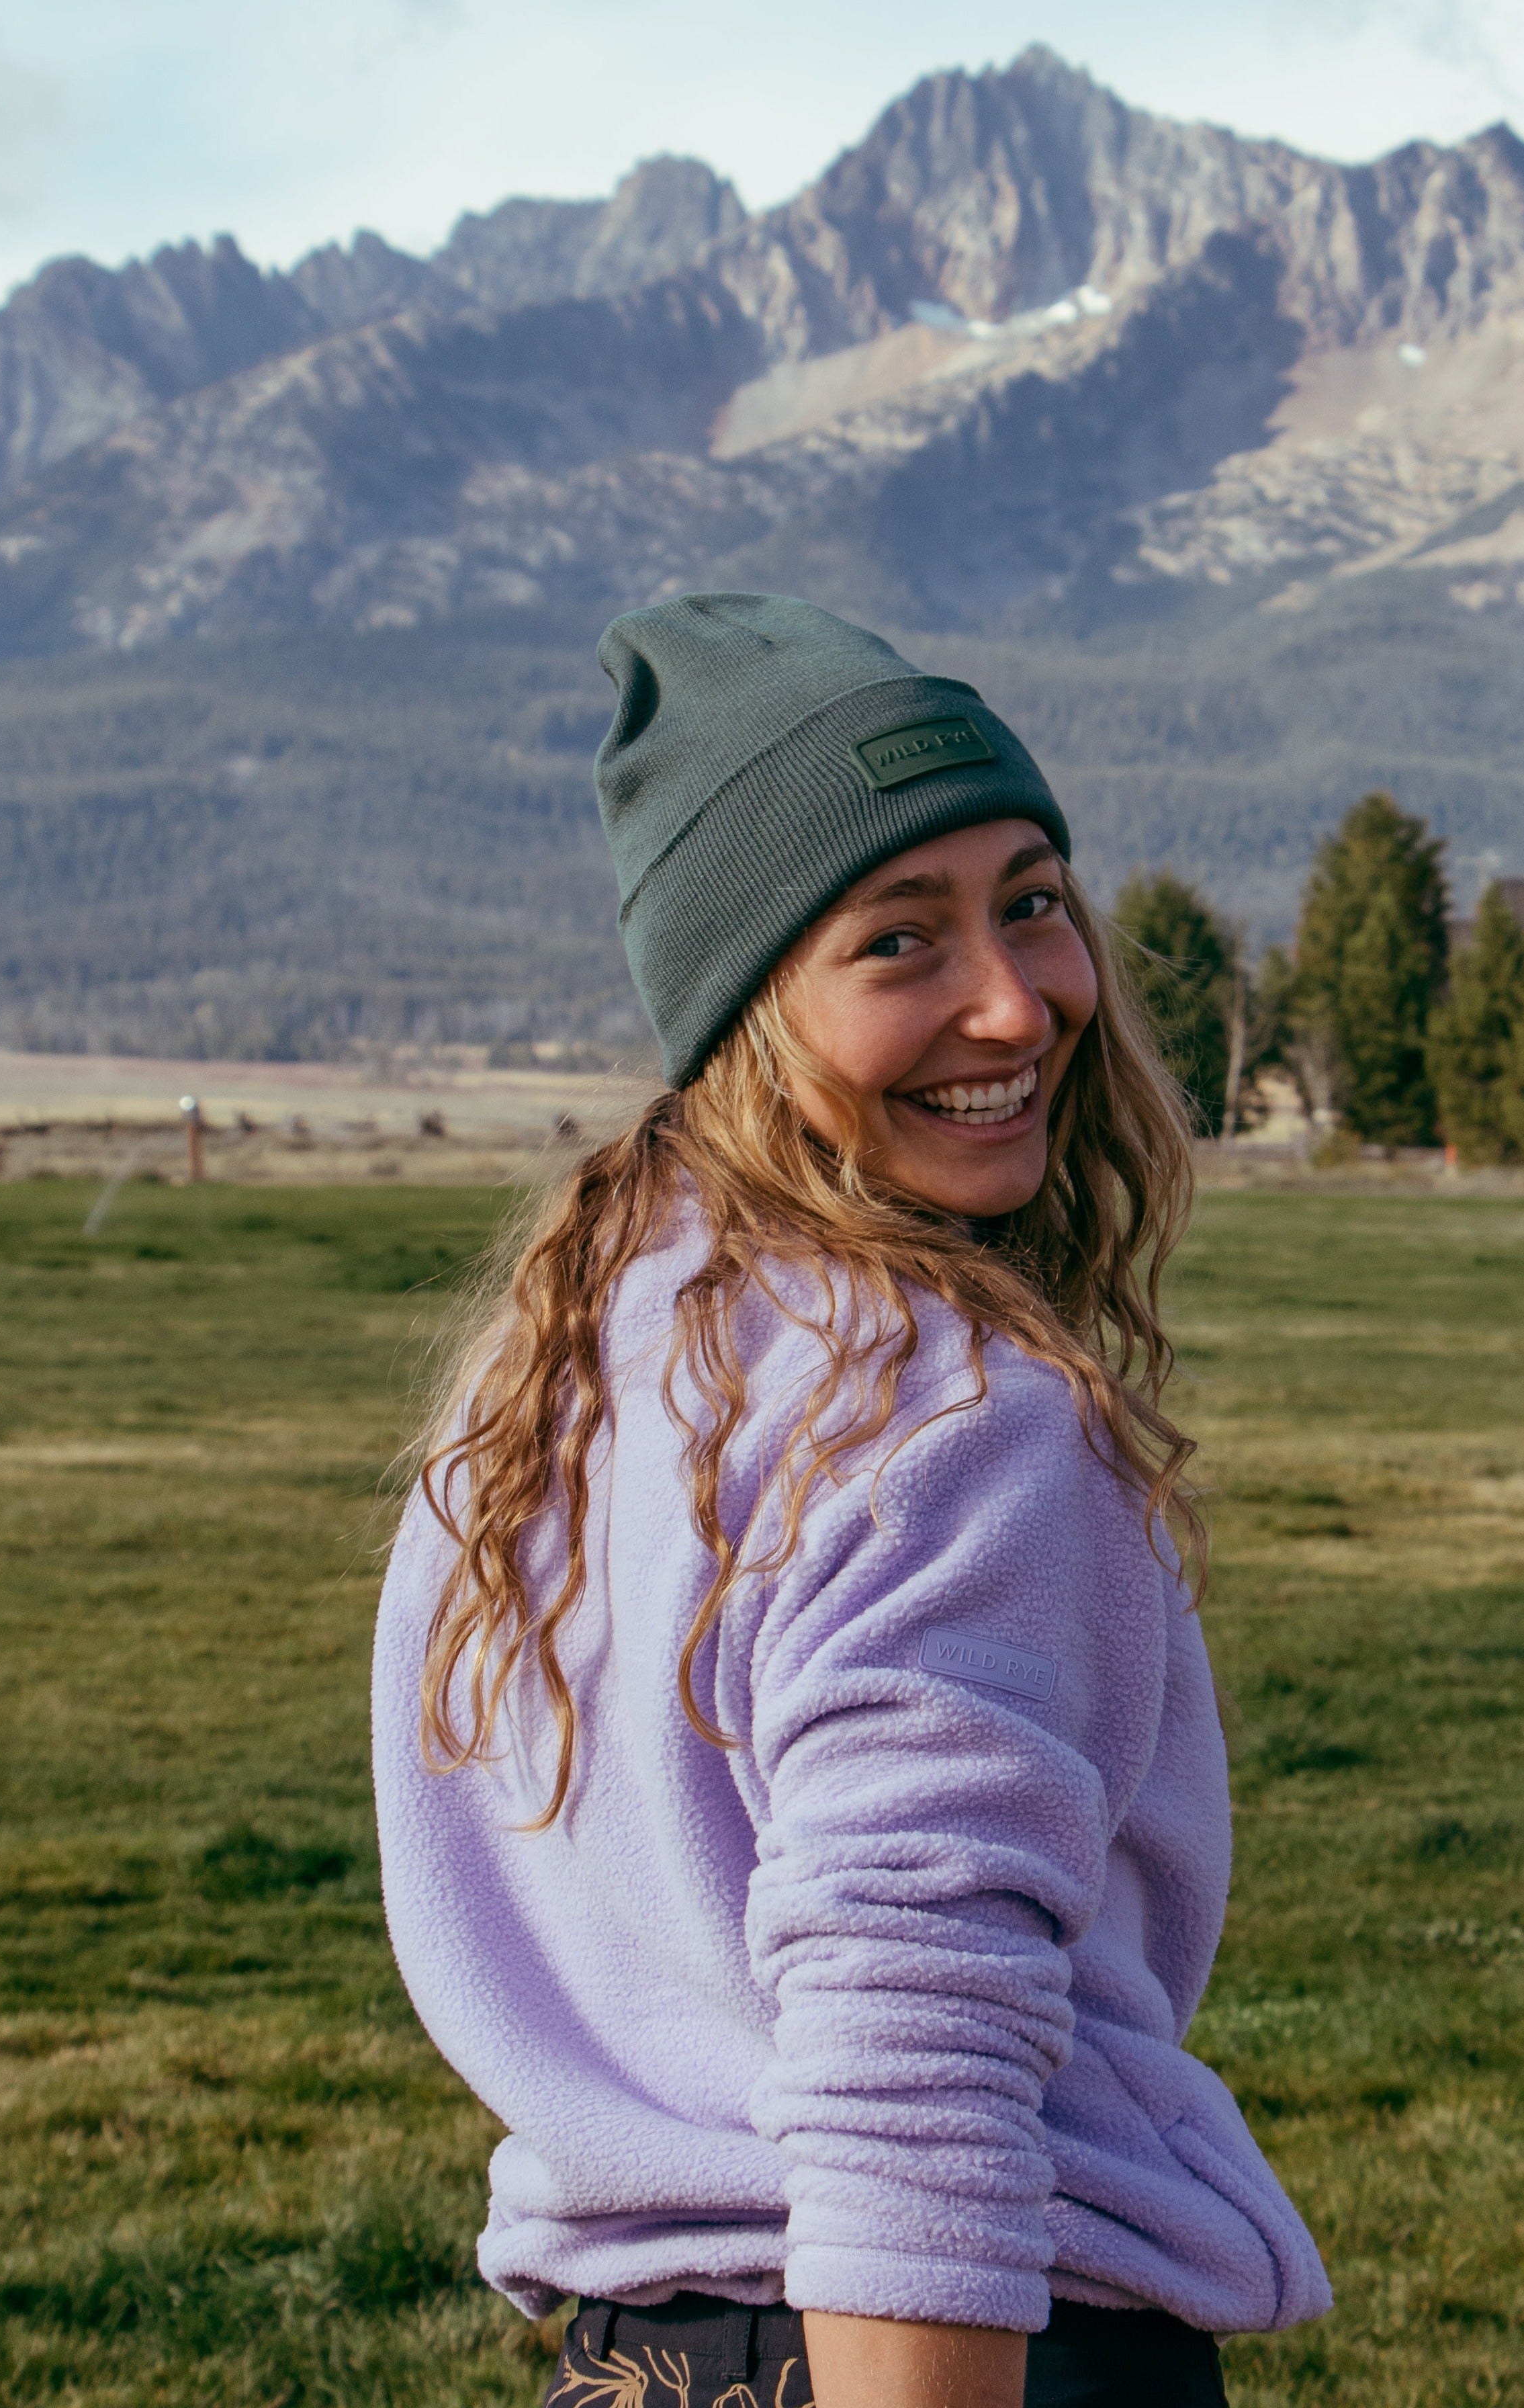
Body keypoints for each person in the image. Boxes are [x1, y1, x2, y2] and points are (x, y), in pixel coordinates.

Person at [373, 595, 1329, 2408]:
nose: (1014, 997)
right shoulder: (946, 1417)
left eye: (1032, 901)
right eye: (901, 942)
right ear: (745, 1006)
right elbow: (918, 2057)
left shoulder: (560, 1370)